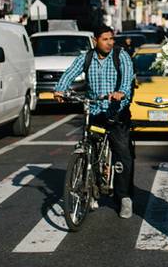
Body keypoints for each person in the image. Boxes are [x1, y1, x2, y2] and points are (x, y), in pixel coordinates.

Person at [54, 25, 135, 219]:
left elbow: (126, 77)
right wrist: (60, 89)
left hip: (116, 113)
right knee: (89, 147)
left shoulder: (120, 56)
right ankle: (91, 184)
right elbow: (69, 73)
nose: (110, 43)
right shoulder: (86, 57)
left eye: (111, 39)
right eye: (105, 39)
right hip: (95, 111)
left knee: (122, 155)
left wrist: (121, 92)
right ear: (95, 40)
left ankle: (124, 197)